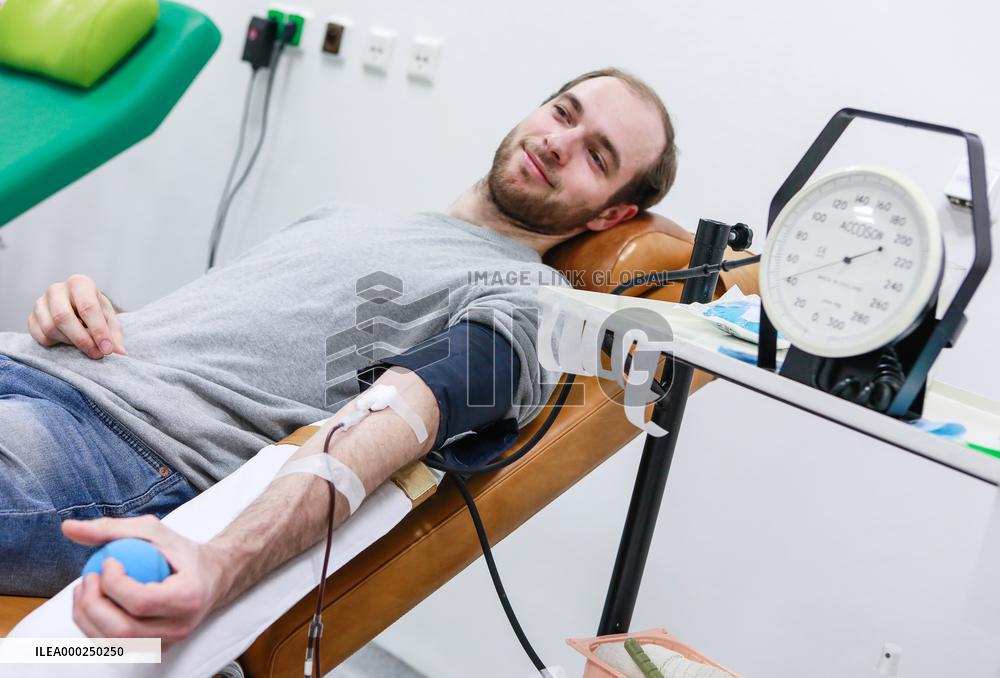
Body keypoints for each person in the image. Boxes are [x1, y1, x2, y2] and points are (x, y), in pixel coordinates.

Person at [0, 67, 676, 643]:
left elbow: (400, 417)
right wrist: (87, 307)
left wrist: (221, 563)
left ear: (610, 216)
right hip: (39, 364)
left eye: (597, 157)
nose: (559, 143)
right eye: (563, 113)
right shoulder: (345, 216)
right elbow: (211, 345)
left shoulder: (529, 300)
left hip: (120, 450)